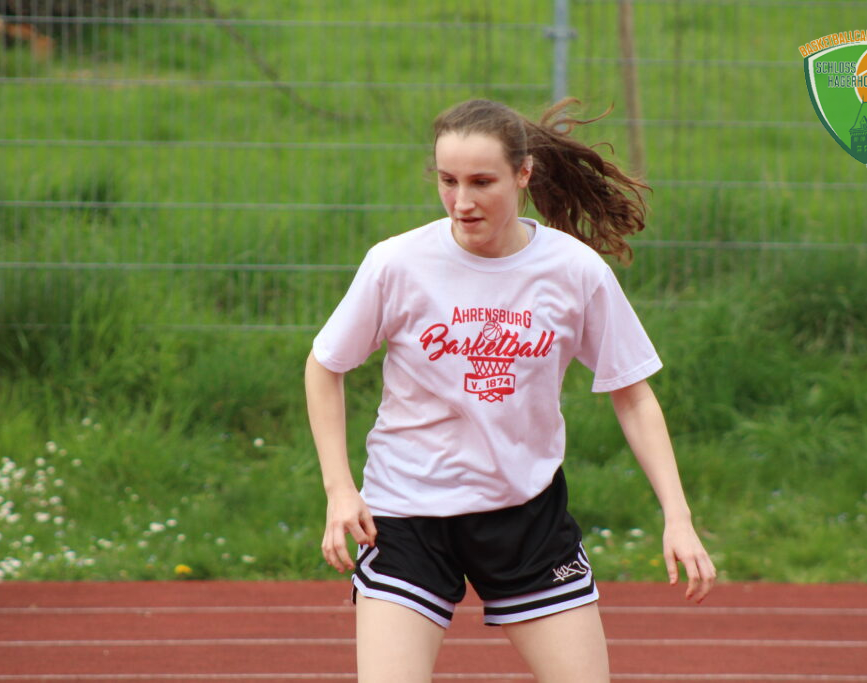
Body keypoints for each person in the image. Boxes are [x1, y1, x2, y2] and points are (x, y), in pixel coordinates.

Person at [305, 97, 716, 682]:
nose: (461, 202)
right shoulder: (396, 263)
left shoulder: (574, 270)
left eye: (481, 182)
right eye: (447, 181)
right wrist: (339, 490)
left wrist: (678, 515)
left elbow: (633, 394)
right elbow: (324, 366)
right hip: (407, 512)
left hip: (525, 516)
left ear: (523, 174)